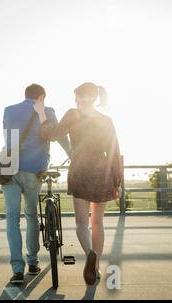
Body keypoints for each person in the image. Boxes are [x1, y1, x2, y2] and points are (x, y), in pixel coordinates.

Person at [34, 82, 123, 286]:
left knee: (81, 223)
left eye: (76, 98)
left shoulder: (73, 114)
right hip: (102, 172)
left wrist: (41, 113)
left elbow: (51, 134)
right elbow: (114, 152)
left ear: (82, 98)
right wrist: (117, 180)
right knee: (97, 222)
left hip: (81, 170)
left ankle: (89, 252)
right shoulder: (106, 120)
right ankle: (97, 267)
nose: (75, 102)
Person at [2, 83, 72, 284]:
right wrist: (71, 154)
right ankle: (32, 262)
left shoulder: (9, 110)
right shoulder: (47, 111)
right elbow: (60, 137)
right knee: (31, 215)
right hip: (35, 169)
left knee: (12, 218)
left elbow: (8, 137)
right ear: (41, 97)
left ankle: (17, 270)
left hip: (10, 169)